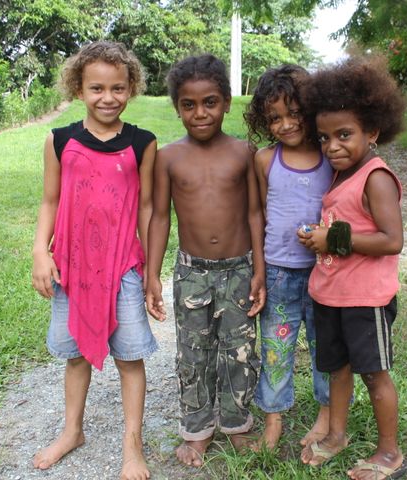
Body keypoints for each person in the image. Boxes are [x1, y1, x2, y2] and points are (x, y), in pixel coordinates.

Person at [31, 41, 157, 480]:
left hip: (122, 265)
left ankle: (132, 446)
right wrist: (39, 254)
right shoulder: (60, 140)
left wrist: (150, 272)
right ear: (79, 89)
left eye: (118, 88)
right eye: (97, 88)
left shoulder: (143, 143)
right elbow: (49, 201)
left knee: (129, 357)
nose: (108, 97)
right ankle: (72, 431)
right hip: (72, 266)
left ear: (131, 89)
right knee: (75, 356)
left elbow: (147, 209)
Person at [145, 54, 266, 467]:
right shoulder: (168, 157)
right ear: (177, 107)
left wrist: (259, 272)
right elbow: (160, 217)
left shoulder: (243, 152)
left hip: (238, 269)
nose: (200, 113)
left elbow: (254, 214)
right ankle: (196, 431)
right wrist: (152, 276)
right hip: (192, 272)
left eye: (210, 102)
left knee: (240, 350)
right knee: (192, 353)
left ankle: (237, 424)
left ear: (227, 102)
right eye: (189, 105)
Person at [297, 58, 407, 480]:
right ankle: (336, 435)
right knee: (336, 370)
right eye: (325, 137)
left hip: (366, 300)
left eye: (344, 135)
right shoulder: (340, 174)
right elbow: (340, 224)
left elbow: (391, 239)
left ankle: (388, 452)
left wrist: (333, 239)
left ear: (373, 131)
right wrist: (318, 235)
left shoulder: (376, 177)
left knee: (374, 374)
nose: (332, 146)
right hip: (330, 294)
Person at [243, 65, 331, 451]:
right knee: (276, 349)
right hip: (279, 273)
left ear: (310, 110)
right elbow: (258, 215)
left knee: (325, 346)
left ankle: (326, 416)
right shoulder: (265, 160)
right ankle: (273, 420)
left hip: (326, 273)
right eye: (274, 118)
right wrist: (260, 271)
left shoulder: (331, 156)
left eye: (294, 113)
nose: (286, 124)